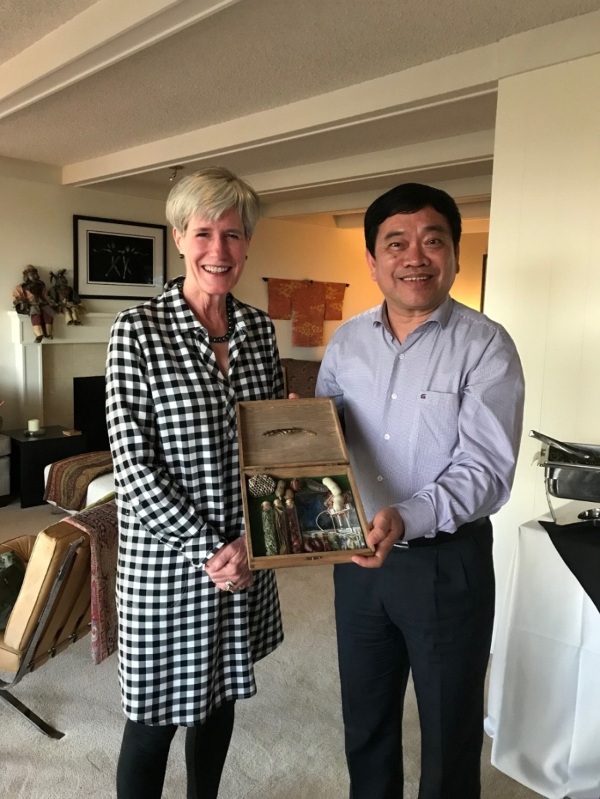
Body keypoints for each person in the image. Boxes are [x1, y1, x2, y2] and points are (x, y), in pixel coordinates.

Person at [316, 182, 525, 799]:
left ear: (455, 254)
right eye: (396, 243)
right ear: (372, 260)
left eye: (433, 241)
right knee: (366, 723)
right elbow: (326, 439)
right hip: (358, 561)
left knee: (449, 732)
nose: (415, 257)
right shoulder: (347, 342)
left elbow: (486, 470)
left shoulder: (486, 345)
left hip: (447, 565)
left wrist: (406, 516)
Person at [106, 167, 285, 799]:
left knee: (218, 702)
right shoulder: (137, 331)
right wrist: (213, 550)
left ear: (247, 243)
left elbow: (271, 450)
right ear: (179, 237)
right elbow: (133, 467)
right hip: (169, 564)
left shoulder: (260, 332)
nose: (219, 250)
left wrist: (254, 542)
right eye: (204, 233)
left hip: (245, 555)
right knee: (152, 722)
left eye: (233, 234)